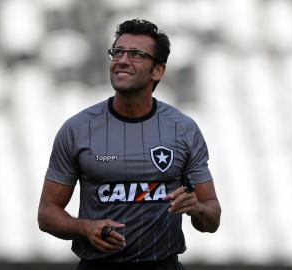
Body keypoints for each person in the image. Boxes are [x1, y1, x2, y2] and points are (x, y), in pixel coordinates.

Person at [38, 18, 221, 270]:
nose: (122, 60)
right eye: (118, 52)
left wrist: (196, 208)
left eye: (136, 54)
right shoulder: (78, 129)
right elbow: (47, 213)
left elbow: (212, 219)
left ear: (157, 71)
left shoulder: (183, 130)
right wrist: (84, 227)